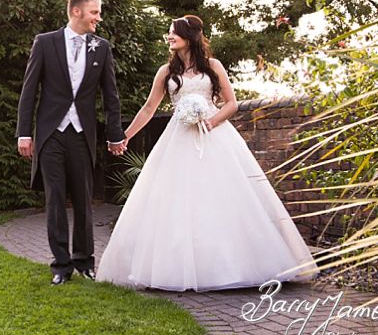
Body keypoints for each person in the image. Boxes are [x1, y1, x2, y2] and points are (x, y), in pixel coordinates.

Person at [96, 15, 318, 291]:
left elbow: (232, 103)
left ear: (189, 36)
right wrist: (125, 136)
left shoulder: (213, 66)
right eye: (169, 33)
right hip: (178, 141)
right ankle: (178, 267)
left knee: (223, 196)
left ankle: (235, 266)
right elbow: (149, 108)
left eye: (173, 32)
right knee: (176, 199)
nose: (169, 37)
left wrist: (211, 122)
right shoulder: (166, 72)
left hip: (214, 137)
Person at [16, 0, 126, 286]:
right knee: (54, 201)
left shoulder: (101, 48)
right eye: (94, 12)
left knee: (83, 201)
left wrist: (115, 135)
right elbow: (29, 92)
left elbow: (111, 96)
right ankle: (60, 266)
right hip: (51, 135)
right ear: (76, 12)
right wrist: (24, 133)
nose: (98, 18)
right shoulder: (45, 43)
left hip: (82, 135)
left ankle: (84, 262)